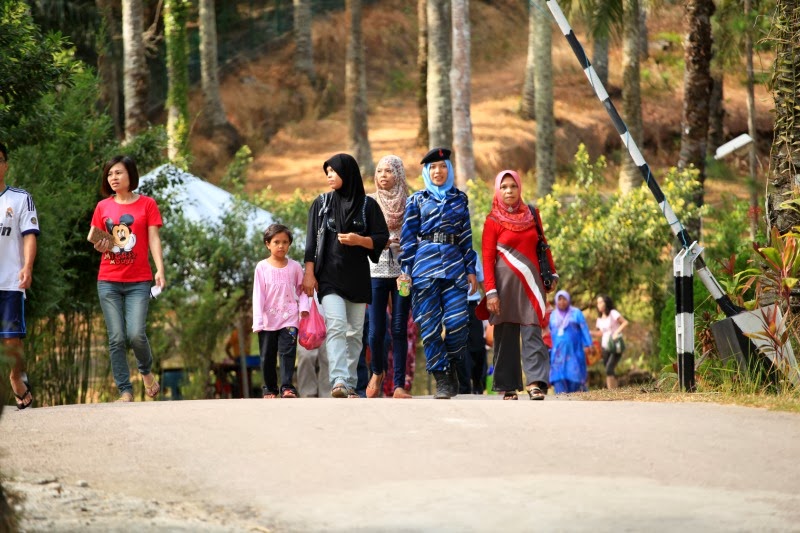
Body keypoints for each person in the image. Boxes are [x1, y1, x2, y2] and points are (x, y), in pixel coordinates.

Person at [303, 153, 389, 398]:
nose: (329, 176)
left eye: (334, 172)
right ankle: (338, 378)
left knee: (355, 333)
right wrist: (309, 273)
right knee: (338, 325)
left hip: (358, 277)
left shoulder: (368, 205)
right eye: (327, 172)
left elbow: (381, 238)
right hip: (329, 278)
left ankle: (349, 383)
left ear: (347, 173)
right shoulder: (321, 204)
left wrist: (359, 240)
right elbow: (310, 242)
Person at [398, 147, 478, 399]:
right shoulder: (417, 200)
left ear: (449, 170)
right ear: (426, 171)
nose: (438, 171)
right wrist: (406, 271)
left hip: (455, 269)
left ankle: (453, 364)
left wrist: (471, 270)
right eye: (433, 167)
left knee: (458, 325)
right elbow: (408, 239)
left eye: (442, 166)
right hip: (424, 270)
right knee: (430, 328)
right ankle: (442, 378)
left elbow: (466, 237)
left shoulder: (460, 199)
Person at [91, 155, 164, 402]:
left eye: (118, 173)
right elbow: (100, 242)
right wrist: (100, 246)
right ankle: (125, 390)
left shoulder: (147, 205)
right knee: (116, 338)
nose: (114, 178)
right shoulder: (103, 207)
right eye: (110, 174)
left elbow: (154, 238)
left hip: (139, 281)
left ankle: (145, 372)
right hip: (108, 280)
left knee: (135, 334)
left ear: (130, 175)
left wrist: (160, 269)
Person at [482, 170, 557, 400]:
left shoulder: (532, 214)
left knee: (532, 329)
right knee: (506, 334)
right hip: (503, 287)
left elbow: (543, 245)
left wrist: (552, 272)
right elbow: (486, 258)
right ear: (498, 190)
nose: (509, 191)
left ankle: (534, 382)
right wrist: (491, 291)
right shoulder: (492, 220)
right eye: (504, 187)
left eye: (513, 186)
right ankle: (508, 386)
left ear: (520, 188)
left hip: (531, 283)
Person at [366, 155, 412, 399]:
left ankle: (398, 385)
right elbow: (362, 237)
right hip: (375, 272)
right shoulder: (369, 202)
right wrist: (380, 242)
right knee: (375, 331)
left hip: (403, 274)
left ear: (399, 174)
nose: (383, 175)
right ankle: (377, 371)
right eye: (380, 171)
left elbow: (417, 235)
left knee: (399, 328)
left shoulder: (411, 202)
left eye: (389, 171)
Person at [0, 142, 39, 409]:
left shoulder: (19, 198)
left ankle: (16, 376)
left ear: (6, 164)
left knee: (11, 339)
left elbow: (29, 236)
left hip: (10, 281)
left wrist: (27, 267)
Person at [253, 223, 310, 398]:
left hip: (289, 319)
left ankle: (287, 387)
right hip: (267, 321)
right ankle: (269, 388)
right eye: (276, 242)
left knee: (287, 353)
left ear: (289, 244)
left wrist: (304, 309)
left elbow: (302, 291)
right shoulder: (262, 267)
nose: (281, 246)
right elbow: (258, 295)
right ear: (267, 244)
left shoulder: (294, 267)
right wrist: (258, 320)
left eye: (285, 242)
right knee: (267, 356)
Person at [549, 290, 593, 394]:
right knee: (558, 379)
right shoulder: (553, 315)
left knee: (575, 378)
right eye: (559, 299)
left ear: (568, 300)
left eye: (564, 299)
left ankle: (575, 400)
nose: (562, 302)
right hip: (557, 354)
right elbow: (550, 332)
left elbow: (584, 329)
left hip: (574, 352)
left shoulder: (576, 313)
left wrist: (588, 344)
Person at [461, 257, 486, 394]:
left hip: (473, 306)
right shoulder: (449, 251)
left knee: (478, 346)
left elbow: (482, 283)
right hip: (454, 305)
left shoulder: (474, 256)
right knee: (459, 347)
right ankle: (463, 387)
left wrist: (490, 299)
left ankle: (478, 381)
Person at [595, 294, 629, 389]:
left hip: (615, 345)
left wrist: (616, 332)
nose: (599, 305)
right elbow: (600, 333)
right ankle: (614, 390)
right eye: (597, 303)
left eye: (601, 302)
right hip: (605, 346)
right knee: (608, 370)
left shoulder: (613, 313)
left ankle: (611, 392)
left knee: (609, 369)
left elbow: (625, 322)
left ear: (606, 302)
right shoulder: (599, 319)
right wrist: (589, 333)